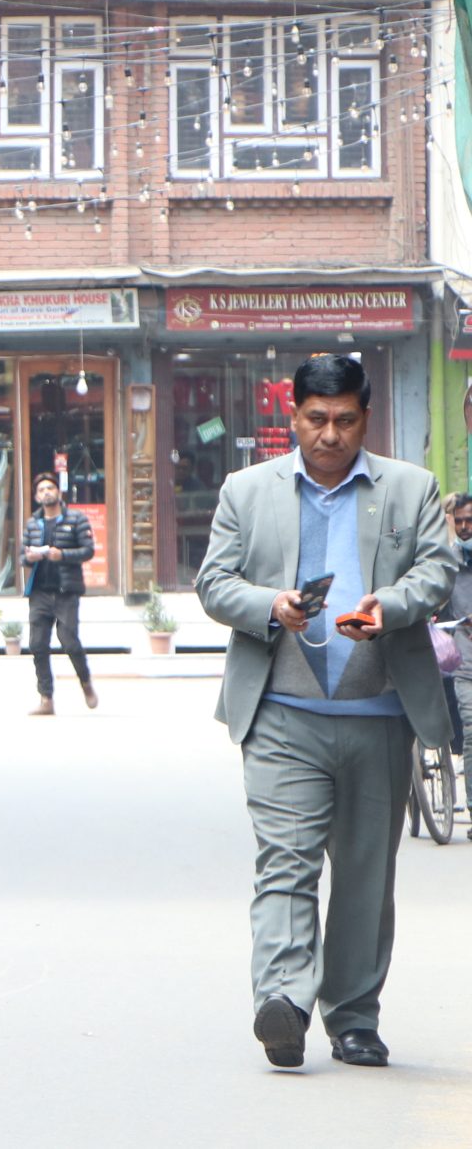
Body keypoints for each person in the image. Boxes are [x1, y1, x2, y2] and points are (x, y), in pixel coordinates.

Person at [194, 353, 453, 1072]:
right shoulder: (247, 490)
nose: (330, 434)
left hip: (379, 714)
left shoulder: (411, 488)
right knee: (285, 860)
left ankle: (354, 1017)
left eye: (344, 420)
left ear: (365, 418)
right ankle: (282, 1000)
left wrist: (390, 604)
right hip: (282, 713)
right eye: (316, 419)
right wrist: (269, 604)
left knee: (366, 875)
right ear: (294, 416)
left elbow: (438, 569)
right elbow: (214, 582)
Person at [22, 474, 98, 716]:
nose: (46, 492)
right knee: (37, 644)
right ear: (37, 497)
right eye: (41, 489)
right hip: (39, 591)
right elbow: (22, 556)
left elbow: (88, 550)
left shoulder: (76, 519)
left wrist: (62, 555)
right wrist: (30, 557)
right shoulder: (32, 523)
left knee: (69, 641)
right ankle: (46, 699)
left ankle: (85, 682)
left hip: (66, 591)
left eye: (50, 488)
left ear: (59, 492)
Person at [444, 492, 472, 758]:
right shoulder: (447, 562)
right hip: (465, 665)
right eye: (459, 520)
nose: (464, 527)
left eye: (470, 521)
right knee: (471, 730)